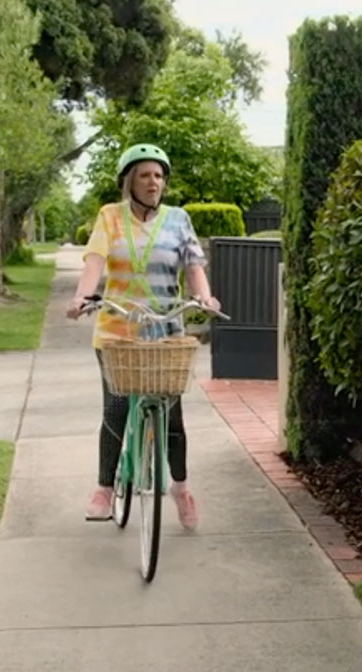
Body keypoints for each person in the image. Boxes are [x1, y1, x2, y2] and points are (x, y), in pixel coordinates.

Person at [66, 143, 221, 528]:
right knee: (116, 407)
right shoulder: (110, 217)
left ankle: (181, 489)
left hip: (165, 330)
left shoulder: (178, 219)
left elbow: (193, 266)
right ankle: (104, 489)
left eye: (158, 176)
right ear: (129, 182)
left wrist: (204, 297)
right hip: (117, 331)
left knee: (172, 416)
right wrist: (82, 296)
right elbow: (95, 262)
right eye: (145, 176)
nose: (153, 183)